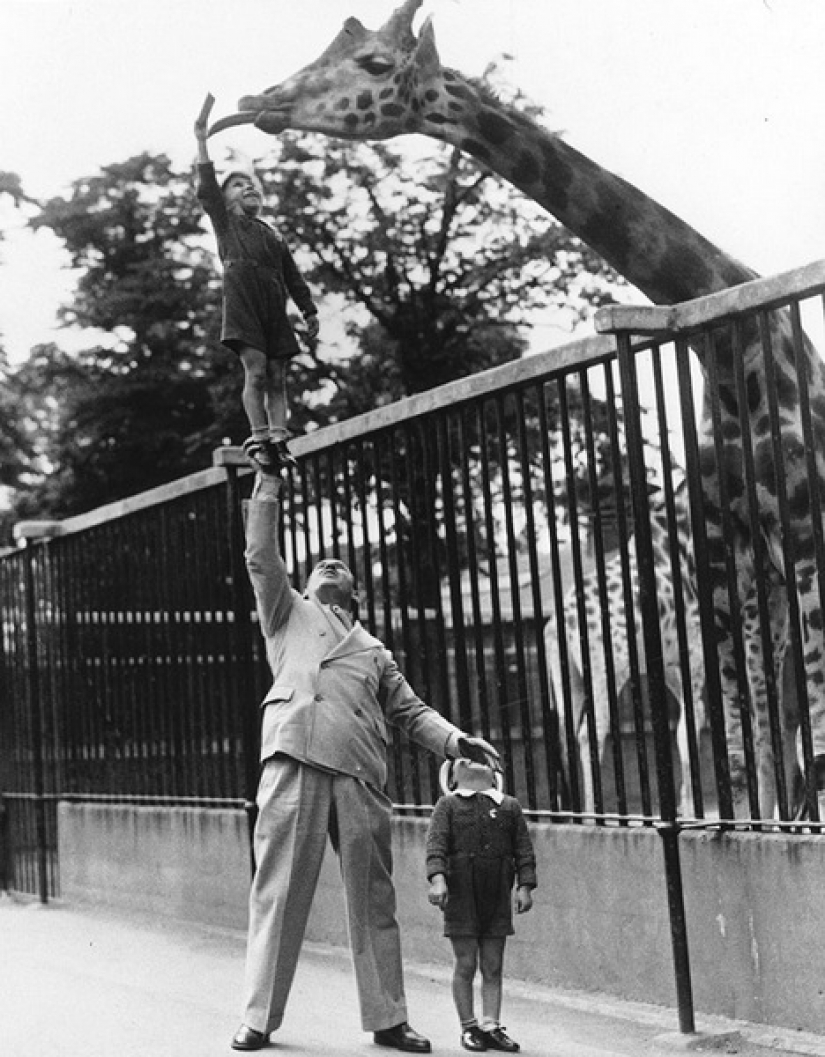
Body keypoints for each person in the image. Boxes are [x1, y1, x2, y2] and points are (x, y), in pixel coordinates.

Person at [231, 463, 501, 1053]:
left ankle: (387, 1018)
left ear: (355, 592)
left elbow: (411, 711)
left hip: (359, 774)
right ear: (301, 584)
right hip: (295, 760)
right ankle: (258, 1018)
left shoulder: (375, 650)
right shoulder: (286, 613)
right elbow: (258, 553)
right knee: (278, 893)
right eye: (318, 565)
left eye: (341, 566)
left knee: (374, 901)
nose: (329, 565)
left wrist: (457, 741)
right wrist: (268, 481)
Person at [194, 93, 319, 471]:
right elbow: (208, 187)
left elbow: (294, 277)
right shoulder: (225, 224)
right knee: (258, 370)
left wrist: (309, 311)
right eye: (238, 186)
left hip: (273, 306)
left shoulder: (273, 235)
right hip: (245, 305)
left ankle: (280, 437)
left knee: (279, 375)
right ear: (225, 199)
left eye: (251, 185)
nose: (247, 188)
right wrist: (202, 140)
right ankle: (260, 436)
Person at [426, 758, 537, 1053]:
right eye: (464, 757)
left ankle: (491, 1025)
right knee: (466, 963)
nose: (472, 760)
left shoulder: (509, 807)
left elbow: (523, 849)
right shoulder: (447, 806)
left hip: (496, 895)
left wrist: (524, 885)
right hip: (461, 895)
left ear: (494, 773)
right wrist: (438, 880)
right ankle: (468, 1026)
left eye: (480, 757)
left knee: (493, 965)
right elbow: (436, 846)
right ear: (453, 775)